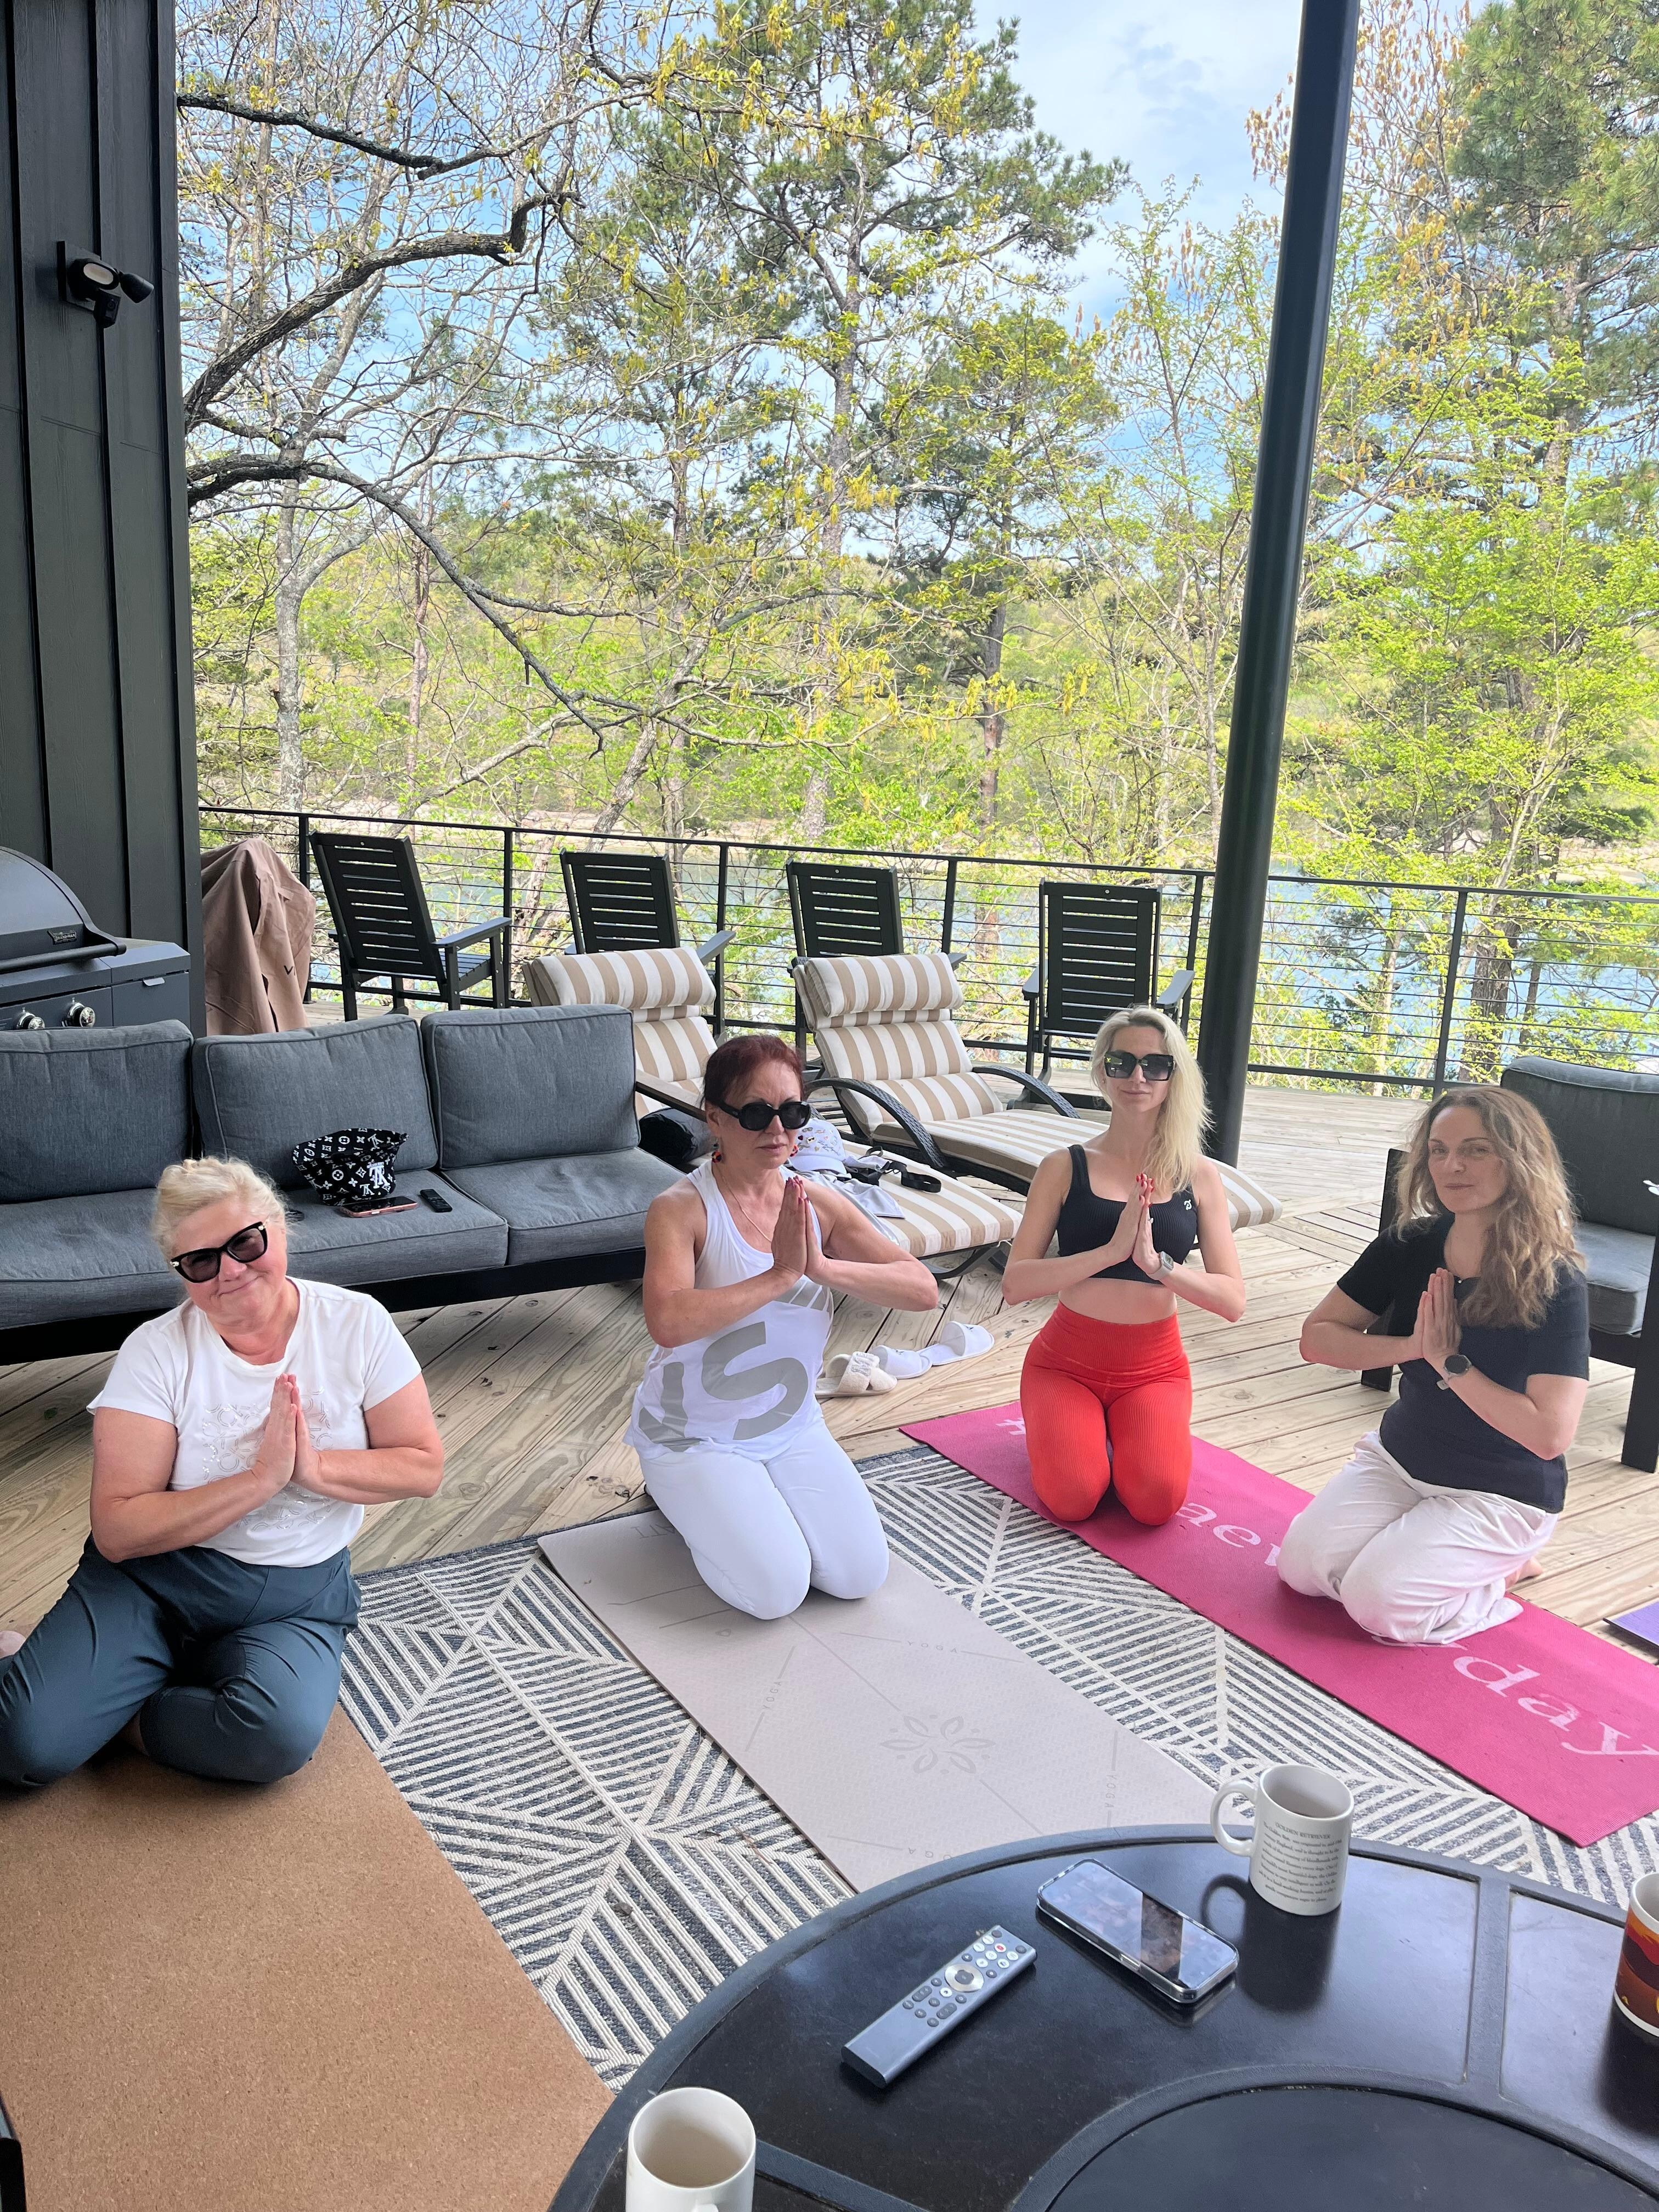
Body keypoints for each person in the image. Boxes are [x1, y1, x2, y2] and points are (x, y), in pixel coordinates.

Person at [0, 1157, 443, 1790]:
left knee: (273, 1740)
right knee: (26, 1749)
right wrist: (259, 1481)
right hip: (154, 1582)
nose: (231, 1270)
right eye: (202, 1261)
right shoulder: (155, 1352)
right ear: (181, 1273)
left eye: (245, 1242)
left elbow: (422, 1467)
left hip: (297, 1596)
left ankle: (113, 1709)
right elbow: (121, 1529)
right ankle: (52, 1680)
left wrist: (310, 1468)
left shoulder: (357, 1323)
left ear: (280, 1230)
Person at [629, 1032, 938, 1618]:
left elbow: (922, 1289)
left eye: (793, 1111)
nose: (778, 1129)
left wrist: (820, 1267)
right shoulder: (681, 1208)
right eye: (755, 1113)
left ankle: (743, 1506)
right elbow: (667, 1321)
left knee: (858, 1576)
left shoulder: (816, 1203)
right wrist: (780, 1277)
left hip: (792, 1425)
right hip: (695, 1434)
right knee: (775, 1593)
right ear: (714, 1119)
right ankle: (677, 1496)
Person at [1280, 1087, 1588, 1644]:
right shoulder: (1410, 1243)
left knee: (1377, 1605)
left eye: (1475, 1149)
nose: (1453, 1166)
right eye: (1440, 1150)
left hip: (1500, 1490)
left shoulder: (1554, 1279)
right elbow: (1317, 1340)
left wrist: (1452, 1363)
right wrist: (1412, 1348)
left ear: (1517, 1160)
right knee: (1301, 1570)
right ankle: (1433, 1551)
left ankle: (1501, 1573)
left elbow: (1550, 1435)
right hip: (1400, 1459)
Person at [1002, 1005, 1246, 1525]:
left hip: (1154, 1369)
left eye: (1156, 1065)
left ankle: (1116, 1433)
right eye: (1122, 1063)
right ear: (1102, 1070)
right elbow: (1016, 1283)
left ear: (1174, 1077)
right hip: (1065, 1363)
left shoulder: (1198, 1176)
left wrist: (1160, 1267)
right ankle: (1078, 1431)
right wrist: (1109, 1254)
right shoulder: (1063, 1166)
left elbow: (1232, 1301)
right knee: (1073, 1498)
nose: (1138, 1077)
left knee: (1156, 1504)